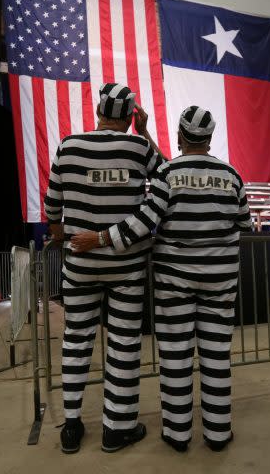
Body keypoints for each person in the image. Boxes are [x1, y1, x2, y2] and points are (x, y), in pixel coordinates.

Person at [71, 106, 252, 453]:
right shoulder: (232, 174)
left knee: (175, 357)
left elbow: (143, 223)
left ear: (181, 136)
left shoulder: (168, 173)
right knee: (216, 357)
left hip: (174, 283)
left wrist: (100, 238)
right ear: (210, 138)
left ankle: (178, 433)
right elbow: (245, 224)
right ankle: (217, 433)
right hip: (220, 282)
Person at [44, 83, 165, 454]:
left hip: (78, 264)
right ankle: (118, 428)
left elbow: (51, 210)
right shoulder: (139, 147)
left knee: (75, 342)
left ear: (99, 112)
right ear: (130, 116)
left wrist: (74, 237)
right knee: (123, 343)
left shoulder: (68, 145)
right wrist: (144, 131)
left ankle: (72, 426)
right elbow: (166, 182)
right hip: (125, 265)